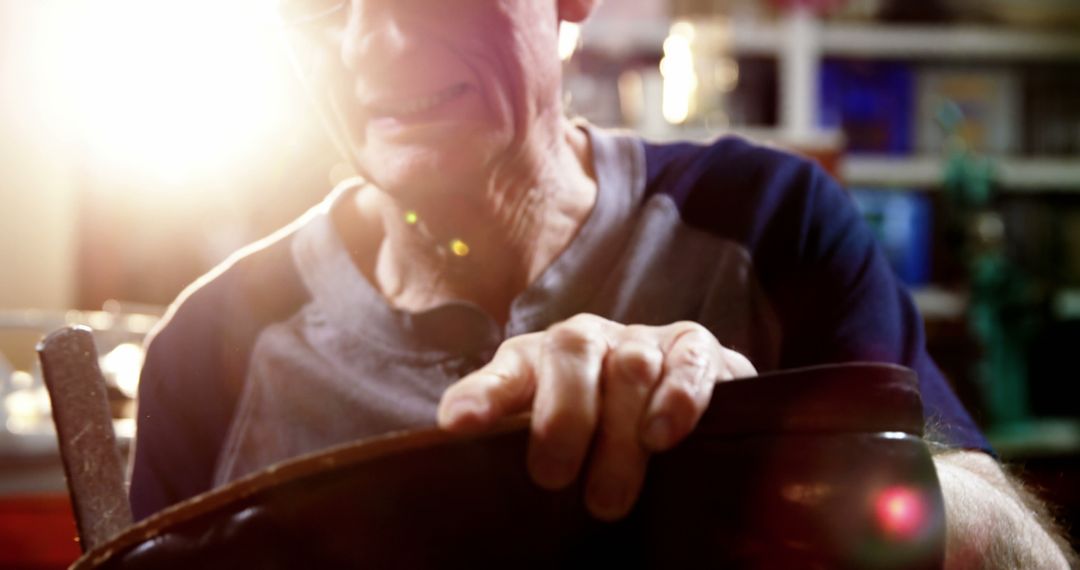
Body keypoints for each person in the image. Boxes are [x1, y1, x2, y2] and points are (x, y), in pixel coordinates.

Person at [129, 0, 1073, 566]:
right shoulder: (207, 351)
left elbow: (1016, 552)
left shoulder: (766, 225)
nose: (372, 44)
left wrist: (787, 460)